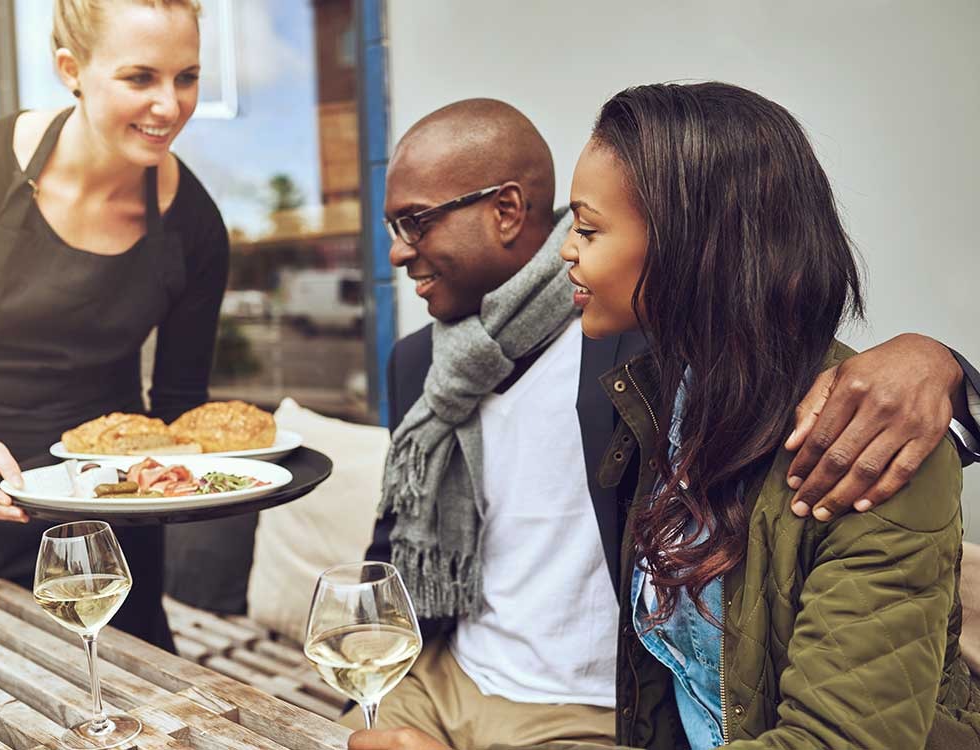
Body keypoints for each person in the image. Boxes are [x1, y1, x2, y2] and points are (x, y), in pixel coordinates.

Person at [340, 98, 980, 748]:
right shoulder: (655, 396)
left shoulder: (662, 369)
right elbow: (393, 548)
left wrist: (942, 368)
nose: (565, 251)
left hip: (582, 715)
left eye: (587, 230)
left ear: (692, 249)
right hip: (451, 681)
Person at [0, 0, 228, 650]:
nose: (170, 105)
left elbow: (179, 408)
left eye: (186, 77)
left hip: (111, 525)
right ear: (70, 69)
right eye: (141, 78)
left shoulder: (196, 226)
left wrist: (195, 477)